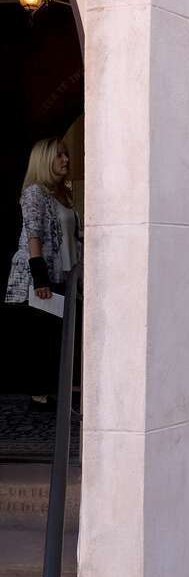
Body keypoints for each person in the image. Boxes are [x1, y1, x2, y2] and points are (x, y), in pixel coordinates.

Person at [5, 137, 82, 411]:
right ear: (44, 160)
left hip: (67, 275)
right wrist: (40, 279)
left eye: (66, 155)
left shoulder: (64, 193)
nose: (66, 160)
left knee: (64, 337)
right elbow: (33, 235)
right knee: (45, 338)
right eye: (59, 155)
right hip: (44, 274)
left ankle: (57, 392)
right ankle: (41, 397)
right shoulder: (35, 192)